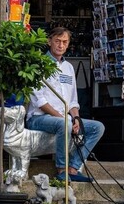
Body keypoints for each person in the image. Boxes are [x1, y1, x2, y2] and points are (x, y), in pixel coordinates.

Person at [27, 26, 105, 183]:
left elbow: (73, 101)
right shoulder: (39, 64)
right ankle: (62, 170)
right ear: (49, 41)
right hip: (38, 118)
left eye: (65, 42)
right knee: (65, 124)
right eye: (57, 41)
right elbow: (39, 100)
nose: (61, 45)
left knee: (97, 127)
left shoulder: (68, 67)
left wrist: (76, 119)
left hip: (64, 119)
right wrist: (65, 118)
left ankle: (73, 168)